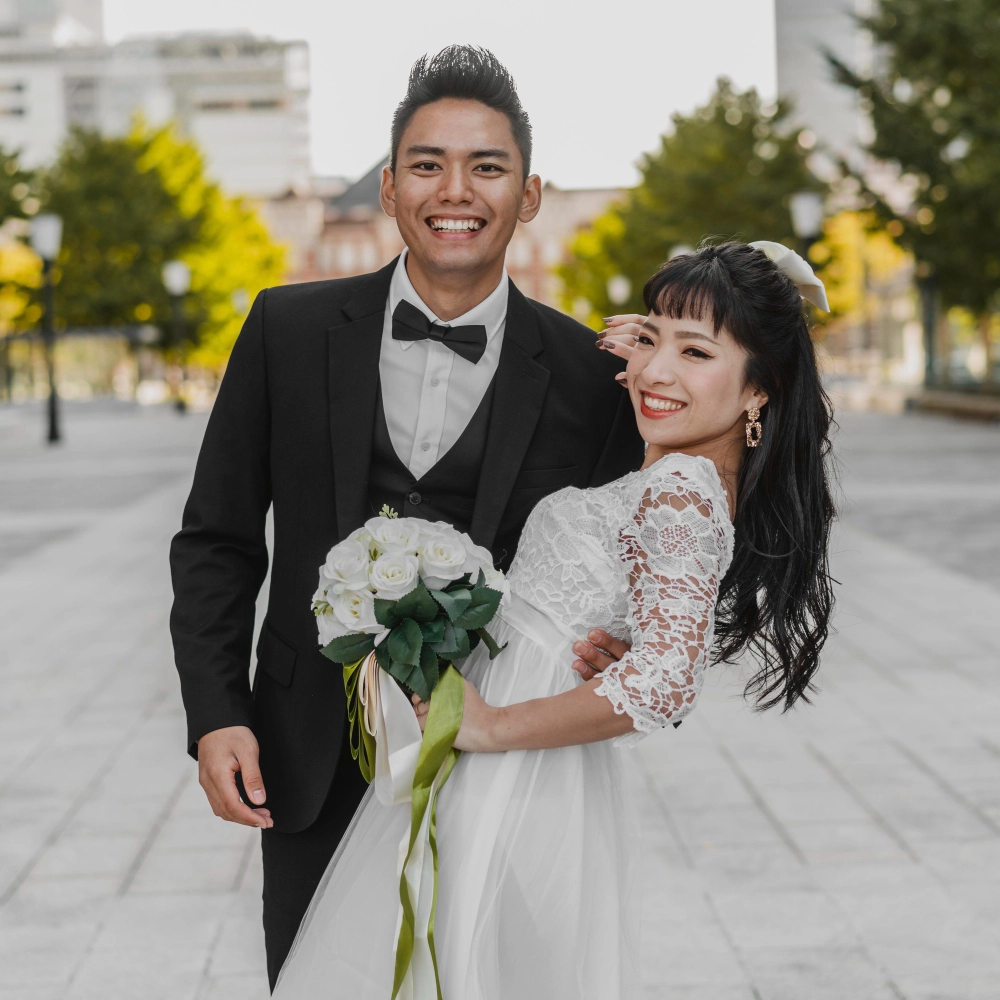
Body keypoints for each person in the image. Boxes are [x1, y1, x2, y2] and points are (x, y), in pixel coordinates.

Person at [168, 46, 644, 990]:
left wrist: (616, 637)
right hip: (305, 761)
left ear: (531, 193)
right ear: (389, 189)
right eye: (427, 164)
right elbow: (218, 539)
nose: (454, 190)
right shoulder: (284, 331)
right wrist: (215, 713)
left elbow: (625, 565)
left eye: (487, 166)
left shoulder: (593, 377)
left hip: (507, 769)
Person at [270, 240, 837, 998]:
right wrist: (673, 343)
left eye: (695, 352)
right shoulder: (683, 473)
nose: (654, 371)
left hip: (516, 767)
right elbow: (652, 629)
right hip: (526, 766)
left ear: (759, 390)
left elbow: (666, 682)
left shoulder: (682, 491)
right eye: (652, 339)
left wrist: (491, 727)